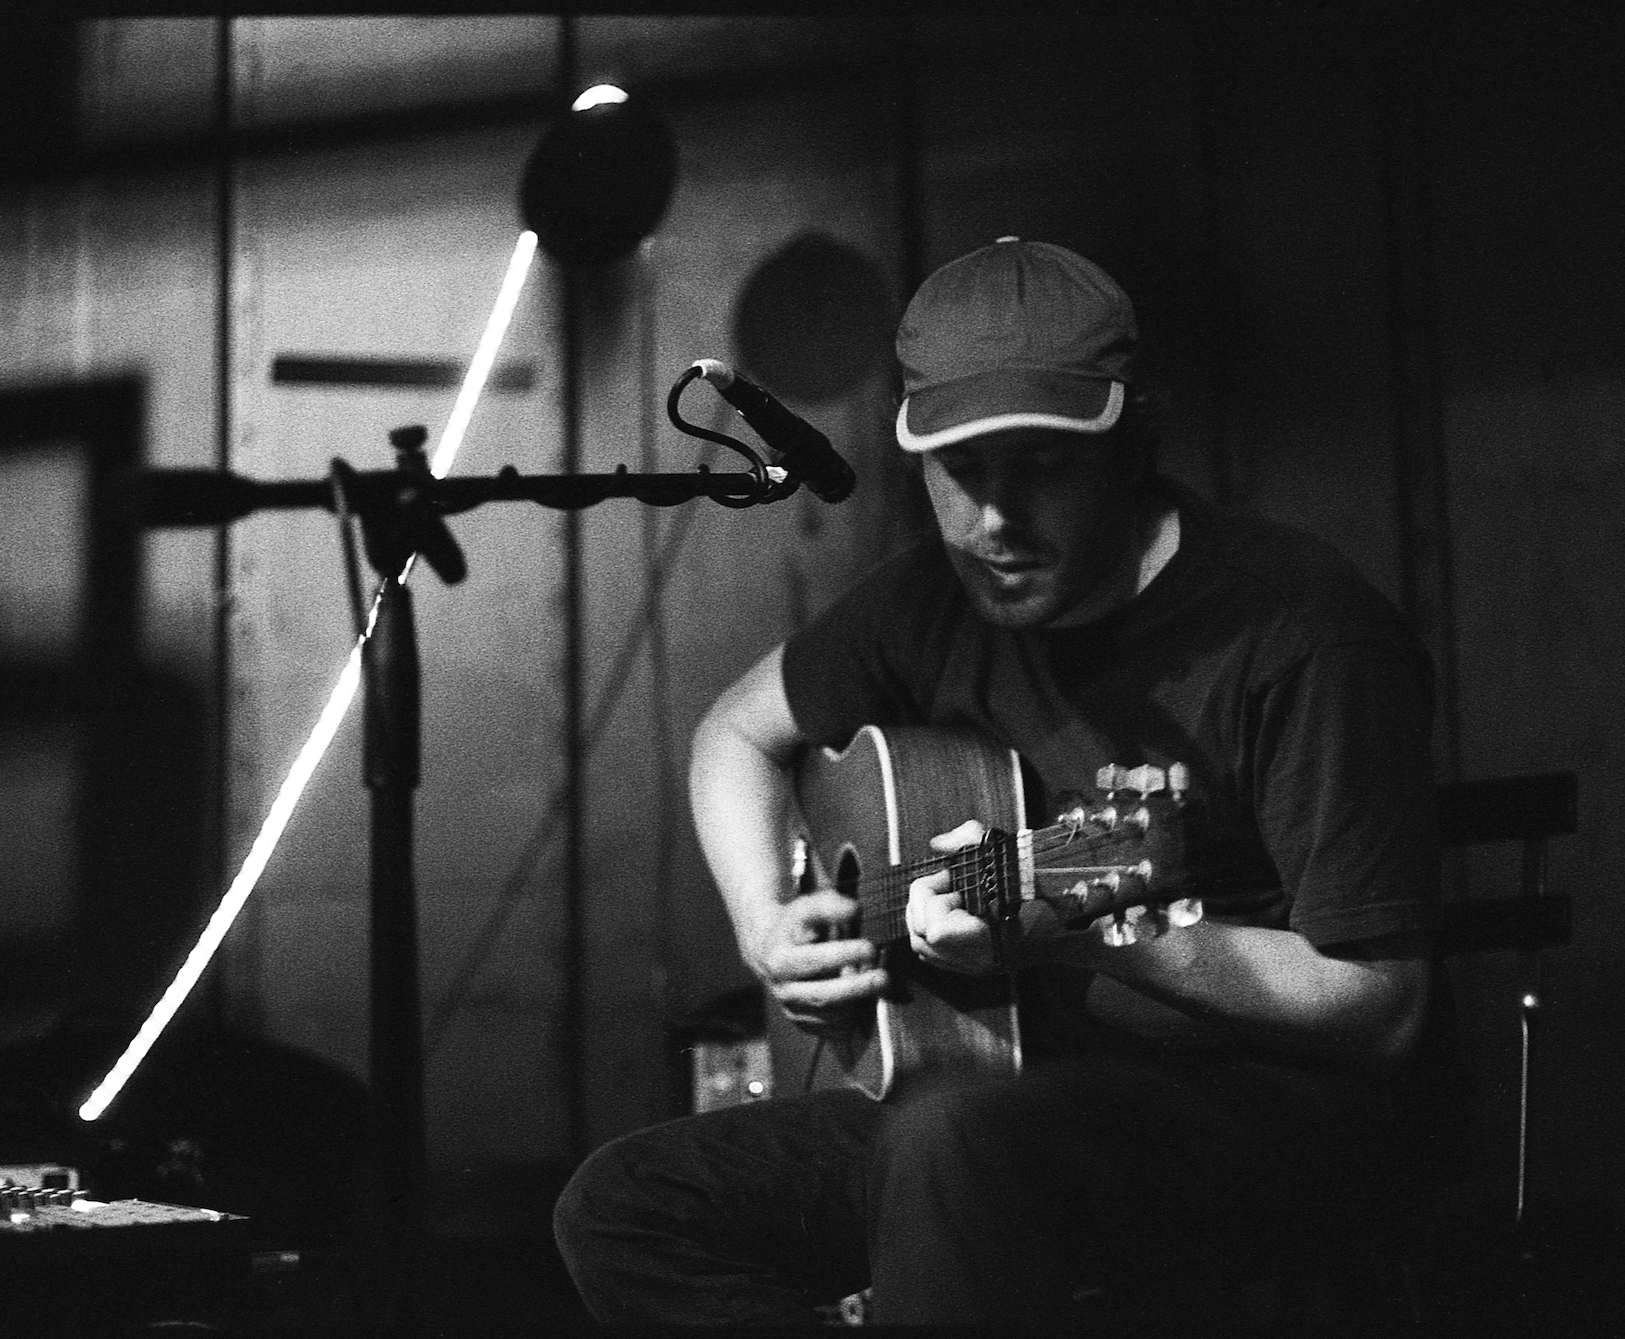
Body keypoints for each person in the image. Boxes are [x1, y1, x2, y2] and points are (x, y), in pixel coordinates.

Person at [553, 238, 1443, 1327]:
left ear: (1129, 443)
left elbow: (1381, 1008)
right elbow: (731, 736)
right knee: (626, 1203)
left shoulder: (1298, 632)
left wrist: (1086, 933)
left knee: (951, 1139)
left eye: (1043, 468)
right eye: (959, 474)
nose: (993, 521)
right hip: (985, 1096)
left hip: (1248, 1120)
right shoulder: (926, 602)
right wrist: (764, 925)